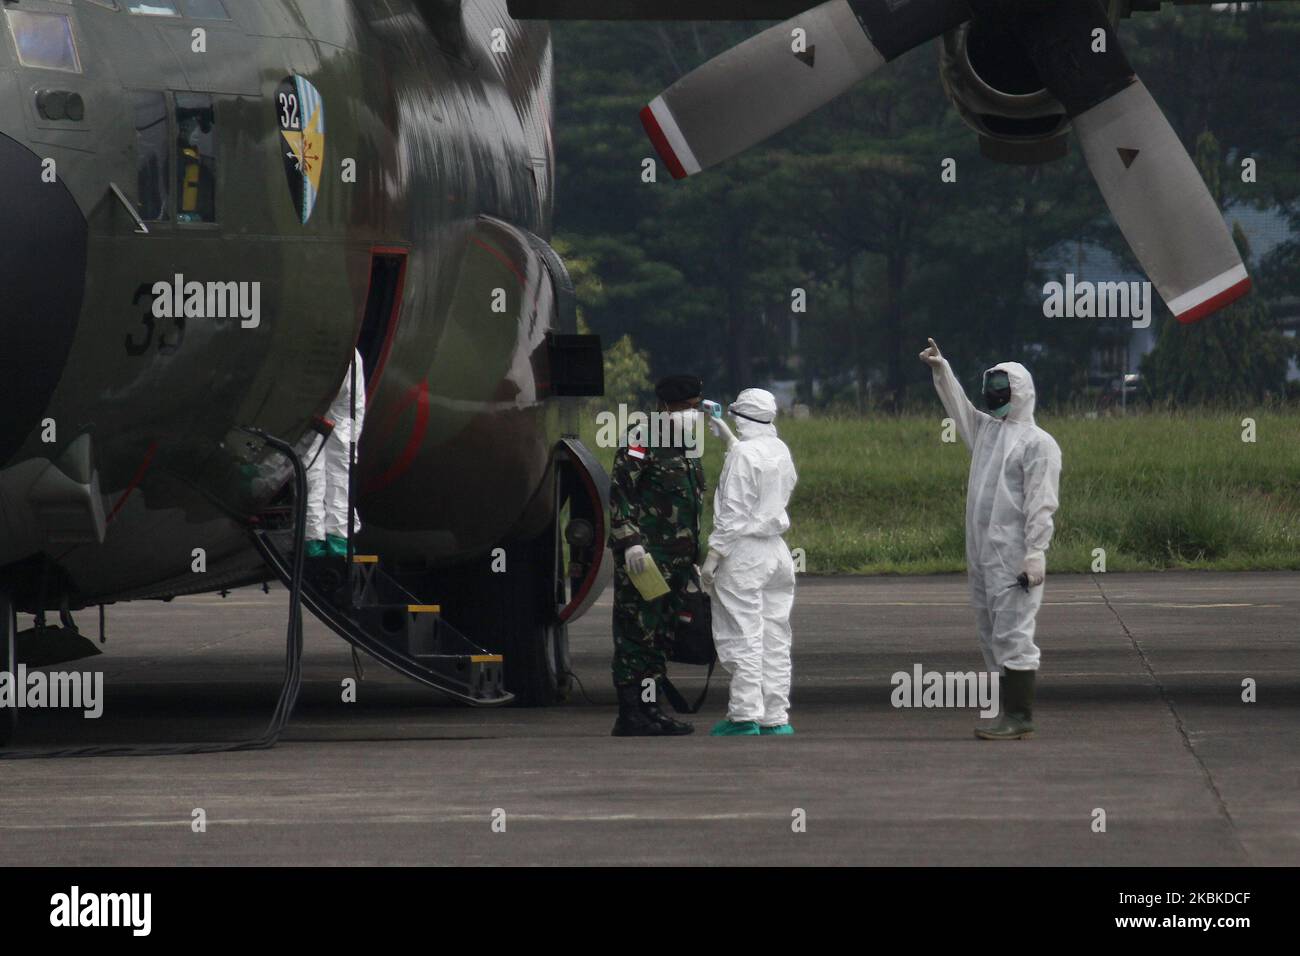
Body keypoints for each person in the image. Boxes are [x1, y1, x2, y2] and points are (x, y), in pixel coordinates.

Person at [919, 338, 1061, 740]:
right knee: (990, 631)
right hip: (983, 555)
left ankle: (1020, 715)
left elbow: (1041, 504)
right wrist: (942, 370)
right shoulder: (989, 432)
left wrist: (1035, 554)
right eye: (992, 386)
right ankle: (1007, 710)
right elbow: (962, 410)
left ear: (1021, 392)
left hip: (1014, 558)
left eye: (1004, 387)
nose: (996, 394)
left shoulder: (1039, 444)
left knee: (1014, 630)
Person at [608, 374, 707, 736]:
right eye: (688, 408)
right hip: (645, 559)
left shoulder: (686, 445)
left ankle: (651, 709)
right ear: (667, 407)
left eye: (697, 408)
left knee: (662, 636)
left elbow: (691, 502)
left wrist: (695, 553)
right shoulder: (640, 438)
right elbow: (620, 492)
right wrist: (629, 540)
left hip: (678, 562)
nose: (694, 415)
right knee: (638, 634)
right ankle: (631, 713)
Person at [700, 388, 798, 737]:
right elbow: (764, 476)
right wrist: (731, 442)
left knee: (742, 635)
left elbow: (733, 513)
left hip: (743, 554)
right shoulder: (780, 449)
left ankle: (744, 717)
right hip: (776, 552)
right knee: (774, 636)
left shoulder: (742, 454)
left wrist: (713, 557)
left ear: (741, 416)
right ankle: (776, 717)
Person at [306, 349, 366, 559]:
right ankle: (338, 536)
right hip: (348, 357)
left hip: (315, 359)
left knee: (310, 455)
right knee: (341, 458)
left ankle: (312, 535)